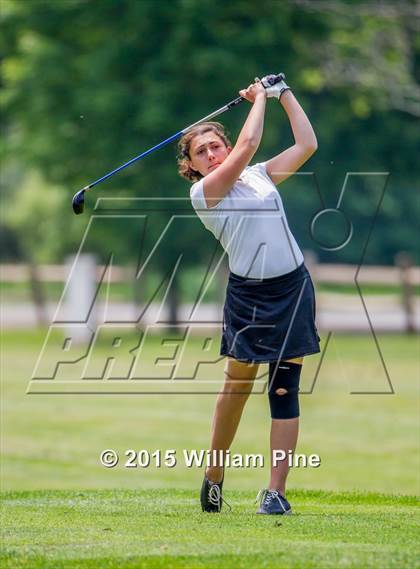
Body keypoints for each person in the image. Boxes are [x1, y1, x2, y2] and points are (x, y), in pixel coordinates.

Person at [177, 74, 320, 515]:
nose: (212, 153)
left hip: (292, 286)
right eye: (201, 152)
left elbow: (307, 144)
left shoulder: (258, 178)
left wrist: (283, 94)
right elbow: (248, 145)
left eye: (214, 145)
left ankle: (275, 492)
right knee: (237, 388)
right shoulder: (204, 193)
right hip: (250, 297)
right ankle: (214, 474)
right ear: (193, 166)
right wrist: (258, 99)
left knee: (284, 388)